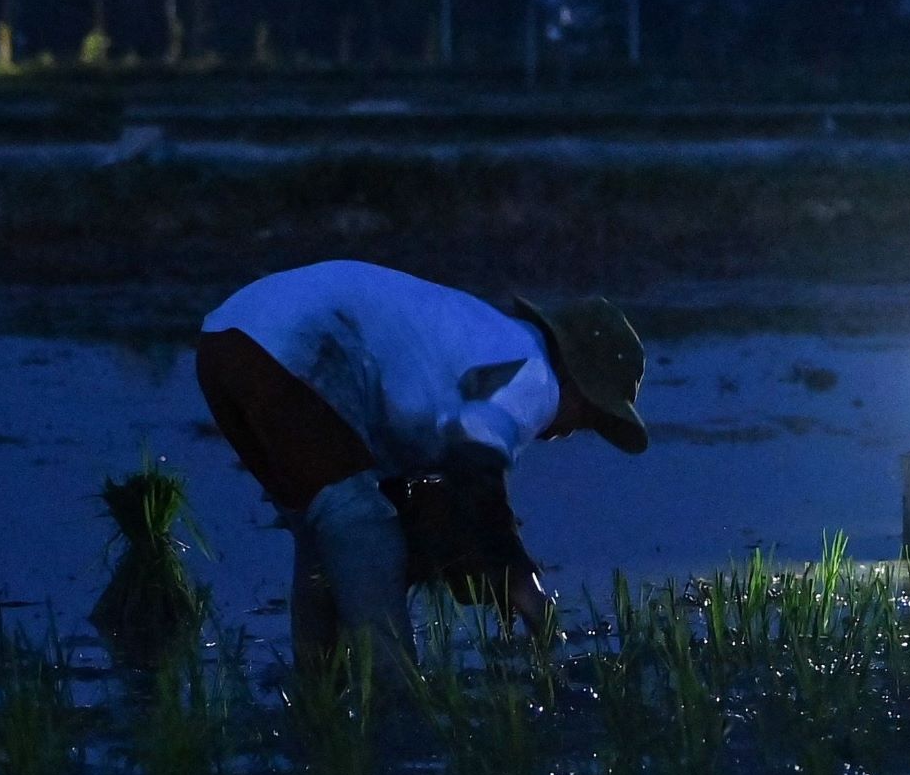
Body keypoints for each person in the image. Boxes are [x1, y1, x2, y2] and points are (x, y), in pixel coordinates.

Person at [194, 259, 650, 664]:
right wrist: (521, 583)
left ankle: (318, 689)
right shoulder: (533, 372)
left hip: (224, 340)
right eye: (591, 413)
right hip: (289, 341)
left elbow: (444, 472)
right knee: (361, 524)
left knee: (324, 532)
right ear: (574, 378)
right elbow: (475, 470)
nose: (576, 428)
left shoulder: (484, 341)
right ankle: (398, 694)